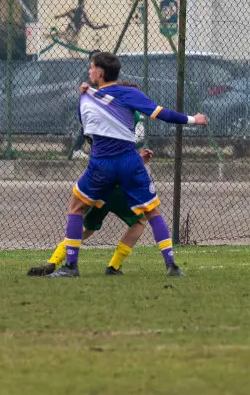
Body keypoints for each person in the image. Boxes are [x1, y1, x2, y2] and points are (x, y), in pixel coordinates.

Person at [49, 51, 207, 278]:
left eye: (91, 67)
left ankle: (71, 266)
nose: (89, 70)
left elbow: (86, 128)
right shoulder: (130, 93)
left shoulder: (87, 98)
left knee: (76, 208)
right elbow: (161, 113)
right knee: (151, 212)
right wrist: (194, 119)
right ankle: (171, 265)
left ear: (100, 73)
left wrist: (87, 94)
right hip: (129, 162)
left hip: (101, 164)